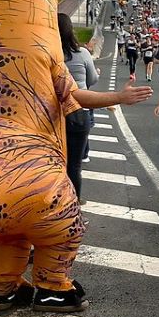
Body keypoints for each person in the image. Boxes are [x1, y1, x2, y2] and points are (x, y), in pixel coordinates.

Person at [59, 13, 98, 200]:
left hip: (53, 113)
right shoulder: (82, 53)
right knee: (74, 164)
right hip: (79, 111)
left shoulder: (50, 54)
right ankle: (74, 201)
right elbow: (92, 79)